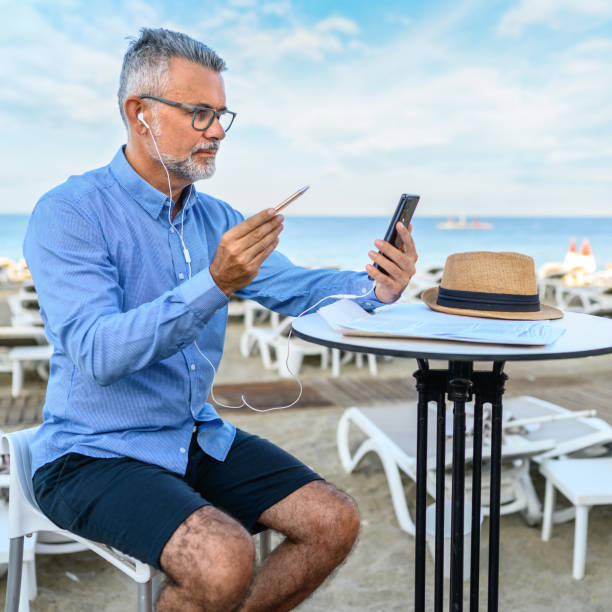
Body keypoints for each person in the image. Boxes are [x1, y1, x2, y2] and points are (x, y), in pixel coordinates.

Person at [24, 28, 418, 611]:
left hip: (191, 436)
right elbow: (96, 353)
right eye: (201, 113)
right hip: (88, 453)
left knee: (333, 520)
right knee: (223, 556)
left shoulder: (217, 218)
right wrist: (214, 283)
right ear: (141, 114)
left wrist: (375, 287)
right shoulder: (71, 212)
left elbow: (296, 287)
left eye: (222, 115)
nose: (216, 132)